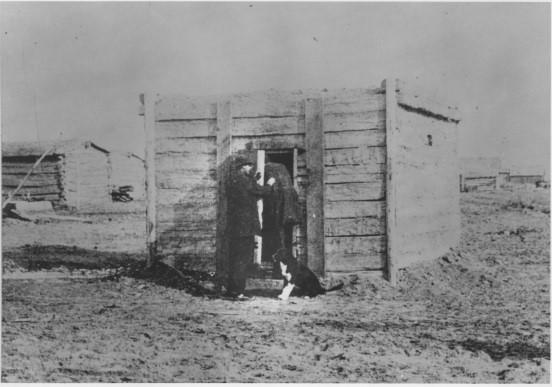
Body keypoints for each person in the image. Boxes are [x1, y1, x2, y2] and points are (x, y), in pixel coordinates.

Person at [226, 156, 275, 299]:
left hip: (235, 228)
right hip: (245, 228)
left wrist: (253, 179)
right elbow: (263, 191)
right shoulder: (244, 181)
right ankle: (238, 293)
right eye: (248, 166)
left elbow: (248, 192)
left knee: (235, 260)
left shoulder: (234, 181)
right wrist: (270, 184)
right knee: (242, 260)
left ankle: (232, 290)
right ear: (242, 168)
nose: (250, 168)